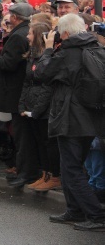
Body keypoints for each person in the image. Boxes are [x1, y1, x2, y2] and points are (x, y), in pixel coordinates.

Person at [34, 13, 105, 231]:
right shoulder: (97, 48)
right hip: (91, 117)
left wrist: (47, 49)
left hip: (70, 118)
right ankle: (74, 209)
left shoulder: (67, 52)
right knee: (71, 167)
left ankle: (96, 215)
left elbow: (42, 74)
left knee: (72, 169)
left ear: (64, 33)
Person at [0, 2, 33, 187]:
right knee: (20, 134)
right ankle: (23, 170)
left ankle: (25, 172)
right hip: (19, 90)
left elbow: (9, 63)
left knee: (21, 135)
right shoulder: (22, 33)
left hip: (15, 91)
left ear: (15, 17)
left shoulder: (17, 36)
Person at [15, 21, 61, 191]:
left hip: (44, 110)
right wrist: (22, 105)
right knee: (40, 143)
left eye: (31, 33)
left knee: (48, 144)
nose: (27, 36)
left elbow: (47, 85)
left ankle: (54, 176)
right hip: (31, 106)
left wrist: (38, 110)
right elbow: (27, 83)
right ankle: (45, 174)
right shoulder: (32, 57)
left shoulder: (49, 56)